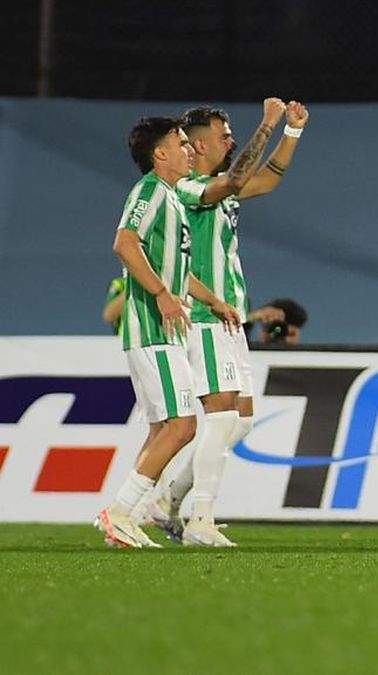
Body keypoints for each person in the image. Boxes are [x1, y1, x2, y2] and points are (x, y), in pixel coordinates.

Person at [142, 98, 302, 547]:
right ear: (196, 145)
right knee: (222, 416)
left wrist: (291, 132)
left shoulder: (216, 183)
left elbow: (266, 180)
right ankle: (201, 520)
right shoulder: (189, 187)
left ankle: (168, 501)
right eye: (224, 133)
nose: (231, 139)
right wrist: (267, 124)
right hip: (205, 318)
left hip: (228, 319)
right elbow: (234, 182)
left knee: (241, 421)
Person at [96, 116, 240, 548]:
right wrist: (160, 294)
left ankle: (127, 514)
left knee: (165, 428)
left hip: (167, 329)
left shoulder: (174, 198)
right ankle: (120, 511)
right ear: (159, 154)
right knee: (181, 426)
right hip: (151, 327)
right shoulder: (149, 191)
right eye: (181, 143)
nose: (189, 150)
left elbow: (174, 269)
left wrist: (212, 300)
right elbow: (124, 242)